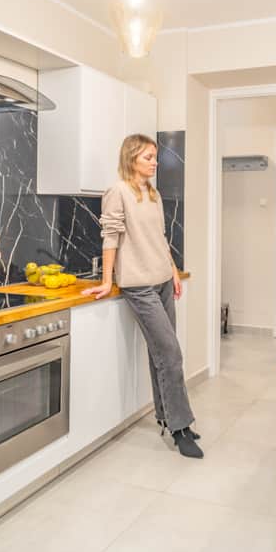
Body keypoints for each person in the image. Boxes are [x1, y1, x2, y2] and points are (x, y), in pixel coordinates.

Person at [82, 134, 203, 458]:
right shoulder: (117, 192)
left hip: (162, 279)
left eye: (155, 157)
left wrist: (174, 271)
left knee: (161, 354)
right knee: (171, 352)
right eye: (148, 157)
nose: (155, 162)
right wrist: (108, 281)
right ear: (132, 158)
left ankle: (167, 417)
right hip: (138, 285)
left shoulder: (153, 193)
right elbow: (110, 237)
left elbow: (160, 237)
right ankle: (181, 428)